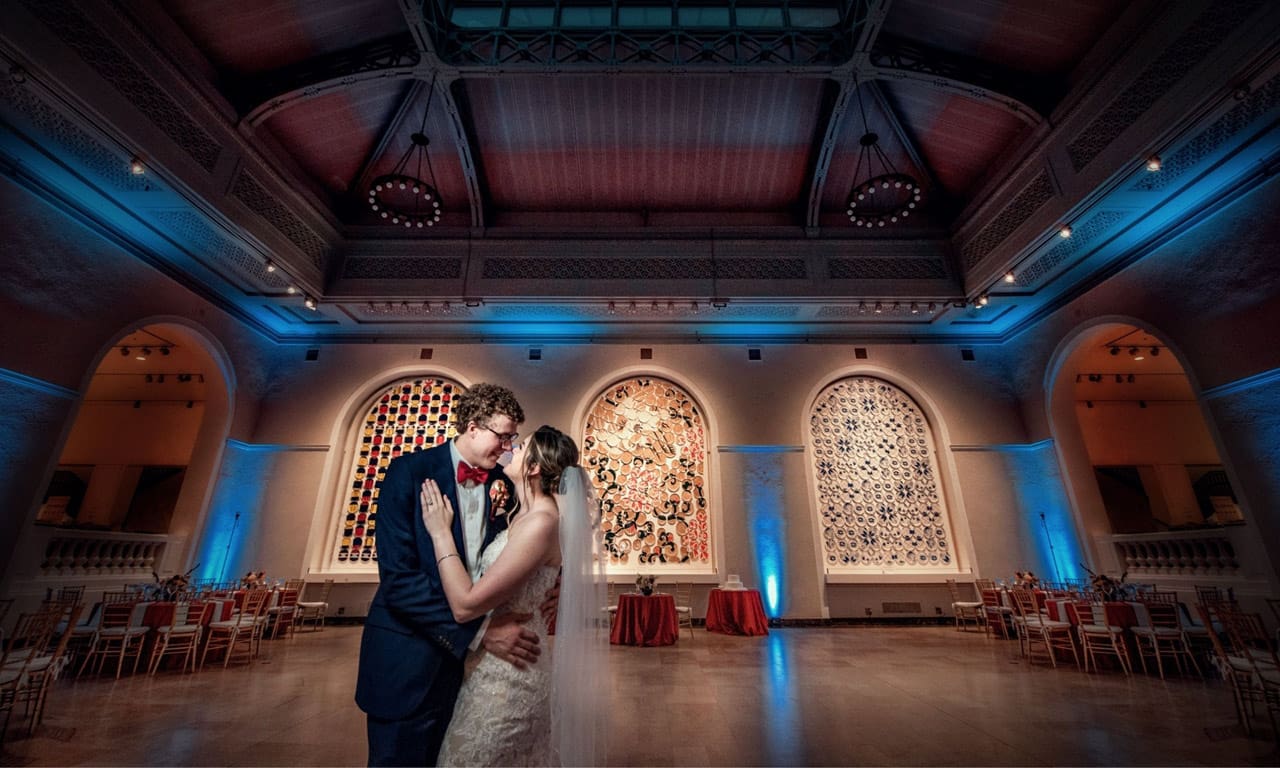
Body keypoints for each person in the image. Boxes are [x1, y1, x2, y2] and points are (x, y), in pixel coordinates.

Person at [356, 383, 544, 767]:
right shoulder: (409, 472)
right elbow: (400, 581)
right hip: (408, 664)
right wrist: (478, 633)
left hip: (474, 681)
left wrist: (553, 590)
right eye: (503, 436)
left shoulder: (505, 483)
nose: (509, 447)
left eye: (513, 439)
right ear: (473, 426)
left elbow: (529, 549)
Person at [421, 425, 608, 767]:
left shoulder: (541, 521)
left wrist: (439, 534)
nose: (511, 448)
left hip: (511, 677)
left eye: (520, 446)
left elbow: (465, 606)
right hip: (488, 665)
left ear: (534, 467)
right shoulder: (519, 515)